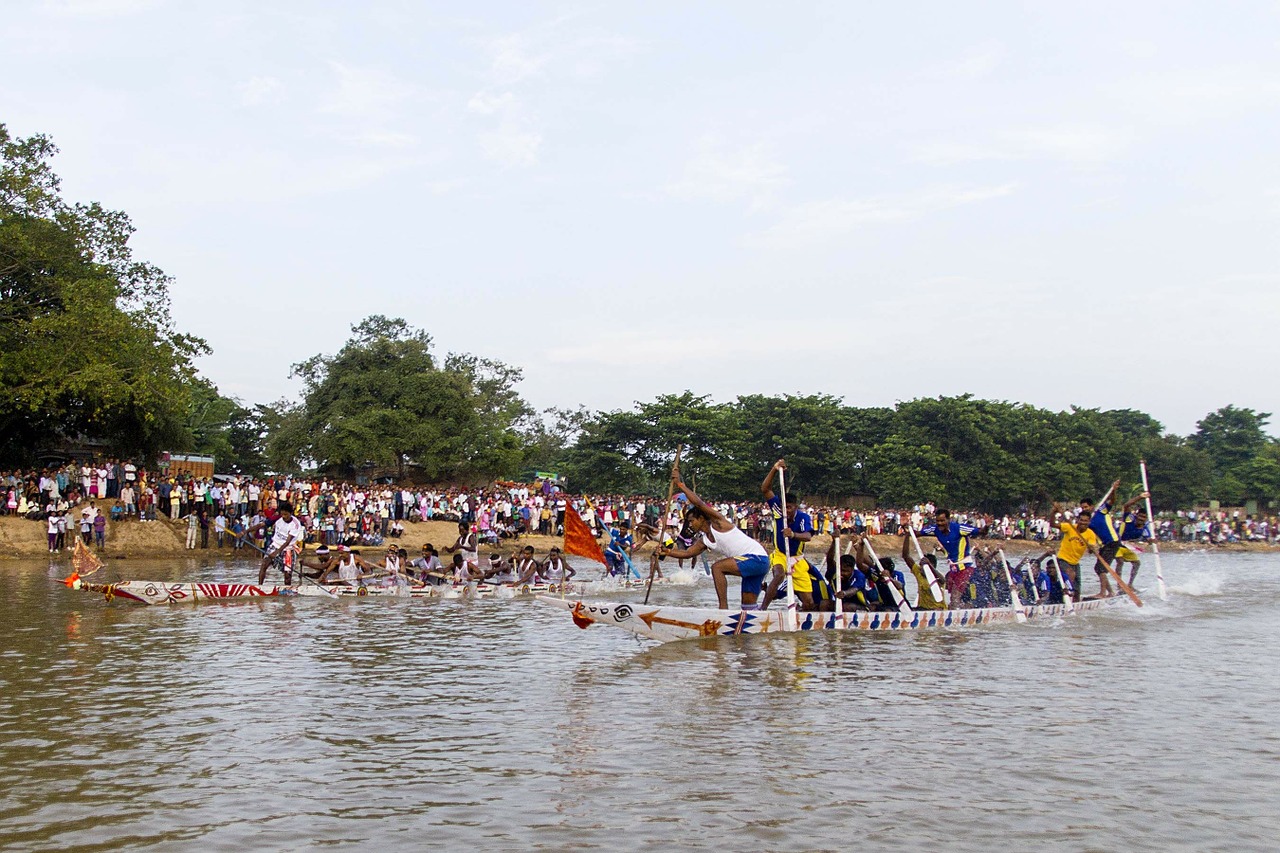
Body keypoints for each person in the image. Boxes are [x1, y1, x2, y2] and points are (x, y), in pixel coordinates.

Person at [657, 471, 770, 610]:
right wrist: (666, 551)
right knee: (748, 607)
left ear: (701, 519)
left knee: (717, 567)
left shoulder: (719, 523)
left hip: (757, 559)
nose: (690, 525)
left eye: (692, 521)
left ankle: (723, 609)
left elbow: (699, 503)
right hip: (753, 564)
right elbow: (687, 554)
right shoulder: (704, 540)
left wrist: (681, 485)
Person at [758, 459, 816, 610]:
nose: (786, 511)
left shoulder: (803, 517)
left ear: (796, 507)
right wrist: (774, 469)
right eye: (785, 507)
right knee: (779, 575)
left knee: (809, 602)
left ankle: (800, 614)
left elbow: (808, 536)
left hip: (797, 559)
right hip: (780, 555)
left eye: (789, 508)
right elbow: (765, 489)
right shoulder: (778, 511)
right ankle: (762, 610)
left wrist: (793, 535)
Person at [918, 509, 982, 608]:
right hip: (953, 570)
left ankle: (956, 617)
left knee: (955, 597)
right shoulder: (934, 529)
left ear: (948, 519)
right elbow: (917, 534)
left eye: (942, 521)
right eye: (938, 521)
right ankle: (958, 608)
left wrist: (987, 526)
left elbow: (981, 532)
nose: (940, 523)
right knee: (952, 597)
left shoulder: (959, 528)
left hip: (965, 569)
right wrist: (906, 528)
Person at [1041, 505, 1100, 602]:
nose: (1083, 523)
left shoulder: (1090, 534)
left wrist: (1092, 549)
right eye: (1081, 520)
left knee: (1077, 590)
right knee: (1070, 576)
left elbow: (1091, 550)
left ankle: (1075, 604)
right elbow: (1052, 524)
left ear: (1089, 522)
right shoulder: (1069, 527)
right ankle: (1066, 597)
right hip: (1063, 559)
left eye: (1085, 521)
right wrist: (1054, 513)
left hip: (1075, 563)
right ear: (1078, 520)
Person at [241, 501, 306, 586]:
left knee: (287, 575)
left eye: (286, 515)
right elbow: (261, 525)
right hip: (275, 545)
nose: (283, 517)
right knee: (264, 565)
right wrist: (244, 532)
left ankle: (287, 592)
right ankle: (260, 587)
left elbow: (287, 542)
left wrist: (276, 553)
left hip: (288, 549)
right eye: (282, 514)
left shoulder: (295, 524)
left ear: (291, 513)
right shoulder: (277, 518)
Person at [899, 523, 947, 610]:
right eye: (920, 565)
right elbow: (906, 556)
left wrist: (929, 566)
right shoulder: (919, 572)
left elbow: (943, 580)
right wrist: (907, 536)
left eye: (922, 566)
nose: (920, 568)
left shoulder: (937, 577)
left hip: (938, 609)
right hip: (922, 608)